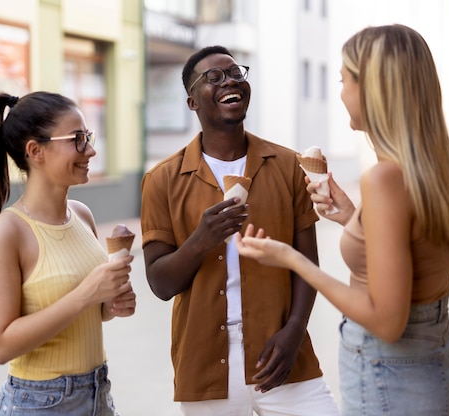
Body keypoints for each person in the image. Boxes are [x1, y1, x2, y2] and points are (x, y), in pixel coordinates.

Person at [236, 24, 449, 416]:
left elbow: (386, 321)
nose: (341, 92)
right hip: (437, 369)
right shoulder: (435, 166)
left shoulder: (383, 179)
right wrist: (353, 217)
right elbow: (413, 250)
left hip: (392, 381)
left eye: (344, 80)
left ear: (374, 89)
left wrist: (291, 259)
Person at [140, 46, 339, 415]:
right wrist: (202, 239)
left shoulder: (287, 166)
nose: (229, 81)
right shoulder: (162, 179)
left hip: (283, 354)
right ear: (192, 103)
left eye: (235, 73)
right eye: (213, 78)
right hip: (205, 365)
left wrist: (295, 330)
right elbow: (160, 284)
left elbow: (307, 263)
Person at [0, 91, 136, 416]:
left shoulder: (82, 215)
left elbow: (95, 312)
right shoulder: (4, 234)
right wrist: (87, 294)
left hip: (98, 395)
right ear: (35, 151)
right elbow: (0, 345)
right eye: (76, 139)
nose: (90, 149)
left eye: (87, 136)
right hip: (40, 404)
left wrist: (111, 303)